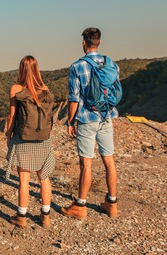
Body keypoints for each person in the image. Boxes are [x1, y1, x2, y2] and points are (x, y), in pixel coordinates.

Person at [62, 27, 120, 220]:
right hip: (106, 116)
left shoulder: (77, 67)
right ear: (99, 42)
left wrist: (71, 121)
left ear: (84, 43)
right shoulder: (111, 64)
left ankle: (80, 205)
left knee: (86, 163)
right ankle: (112, 204)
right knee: (109, 160)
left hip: (87, 119)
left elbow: (74, 99)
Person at [6, 55, 55, 228]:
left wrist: (9, 135)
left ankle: (22, 216)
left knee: (24, 180)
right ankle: (46, 216)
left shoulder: (16, 89)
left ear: (21, 69)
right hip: (43, 139)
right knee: (44, 178)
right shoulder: (45, 89)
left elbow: (12, 115)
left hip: (24, 138)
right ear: (36, 69)